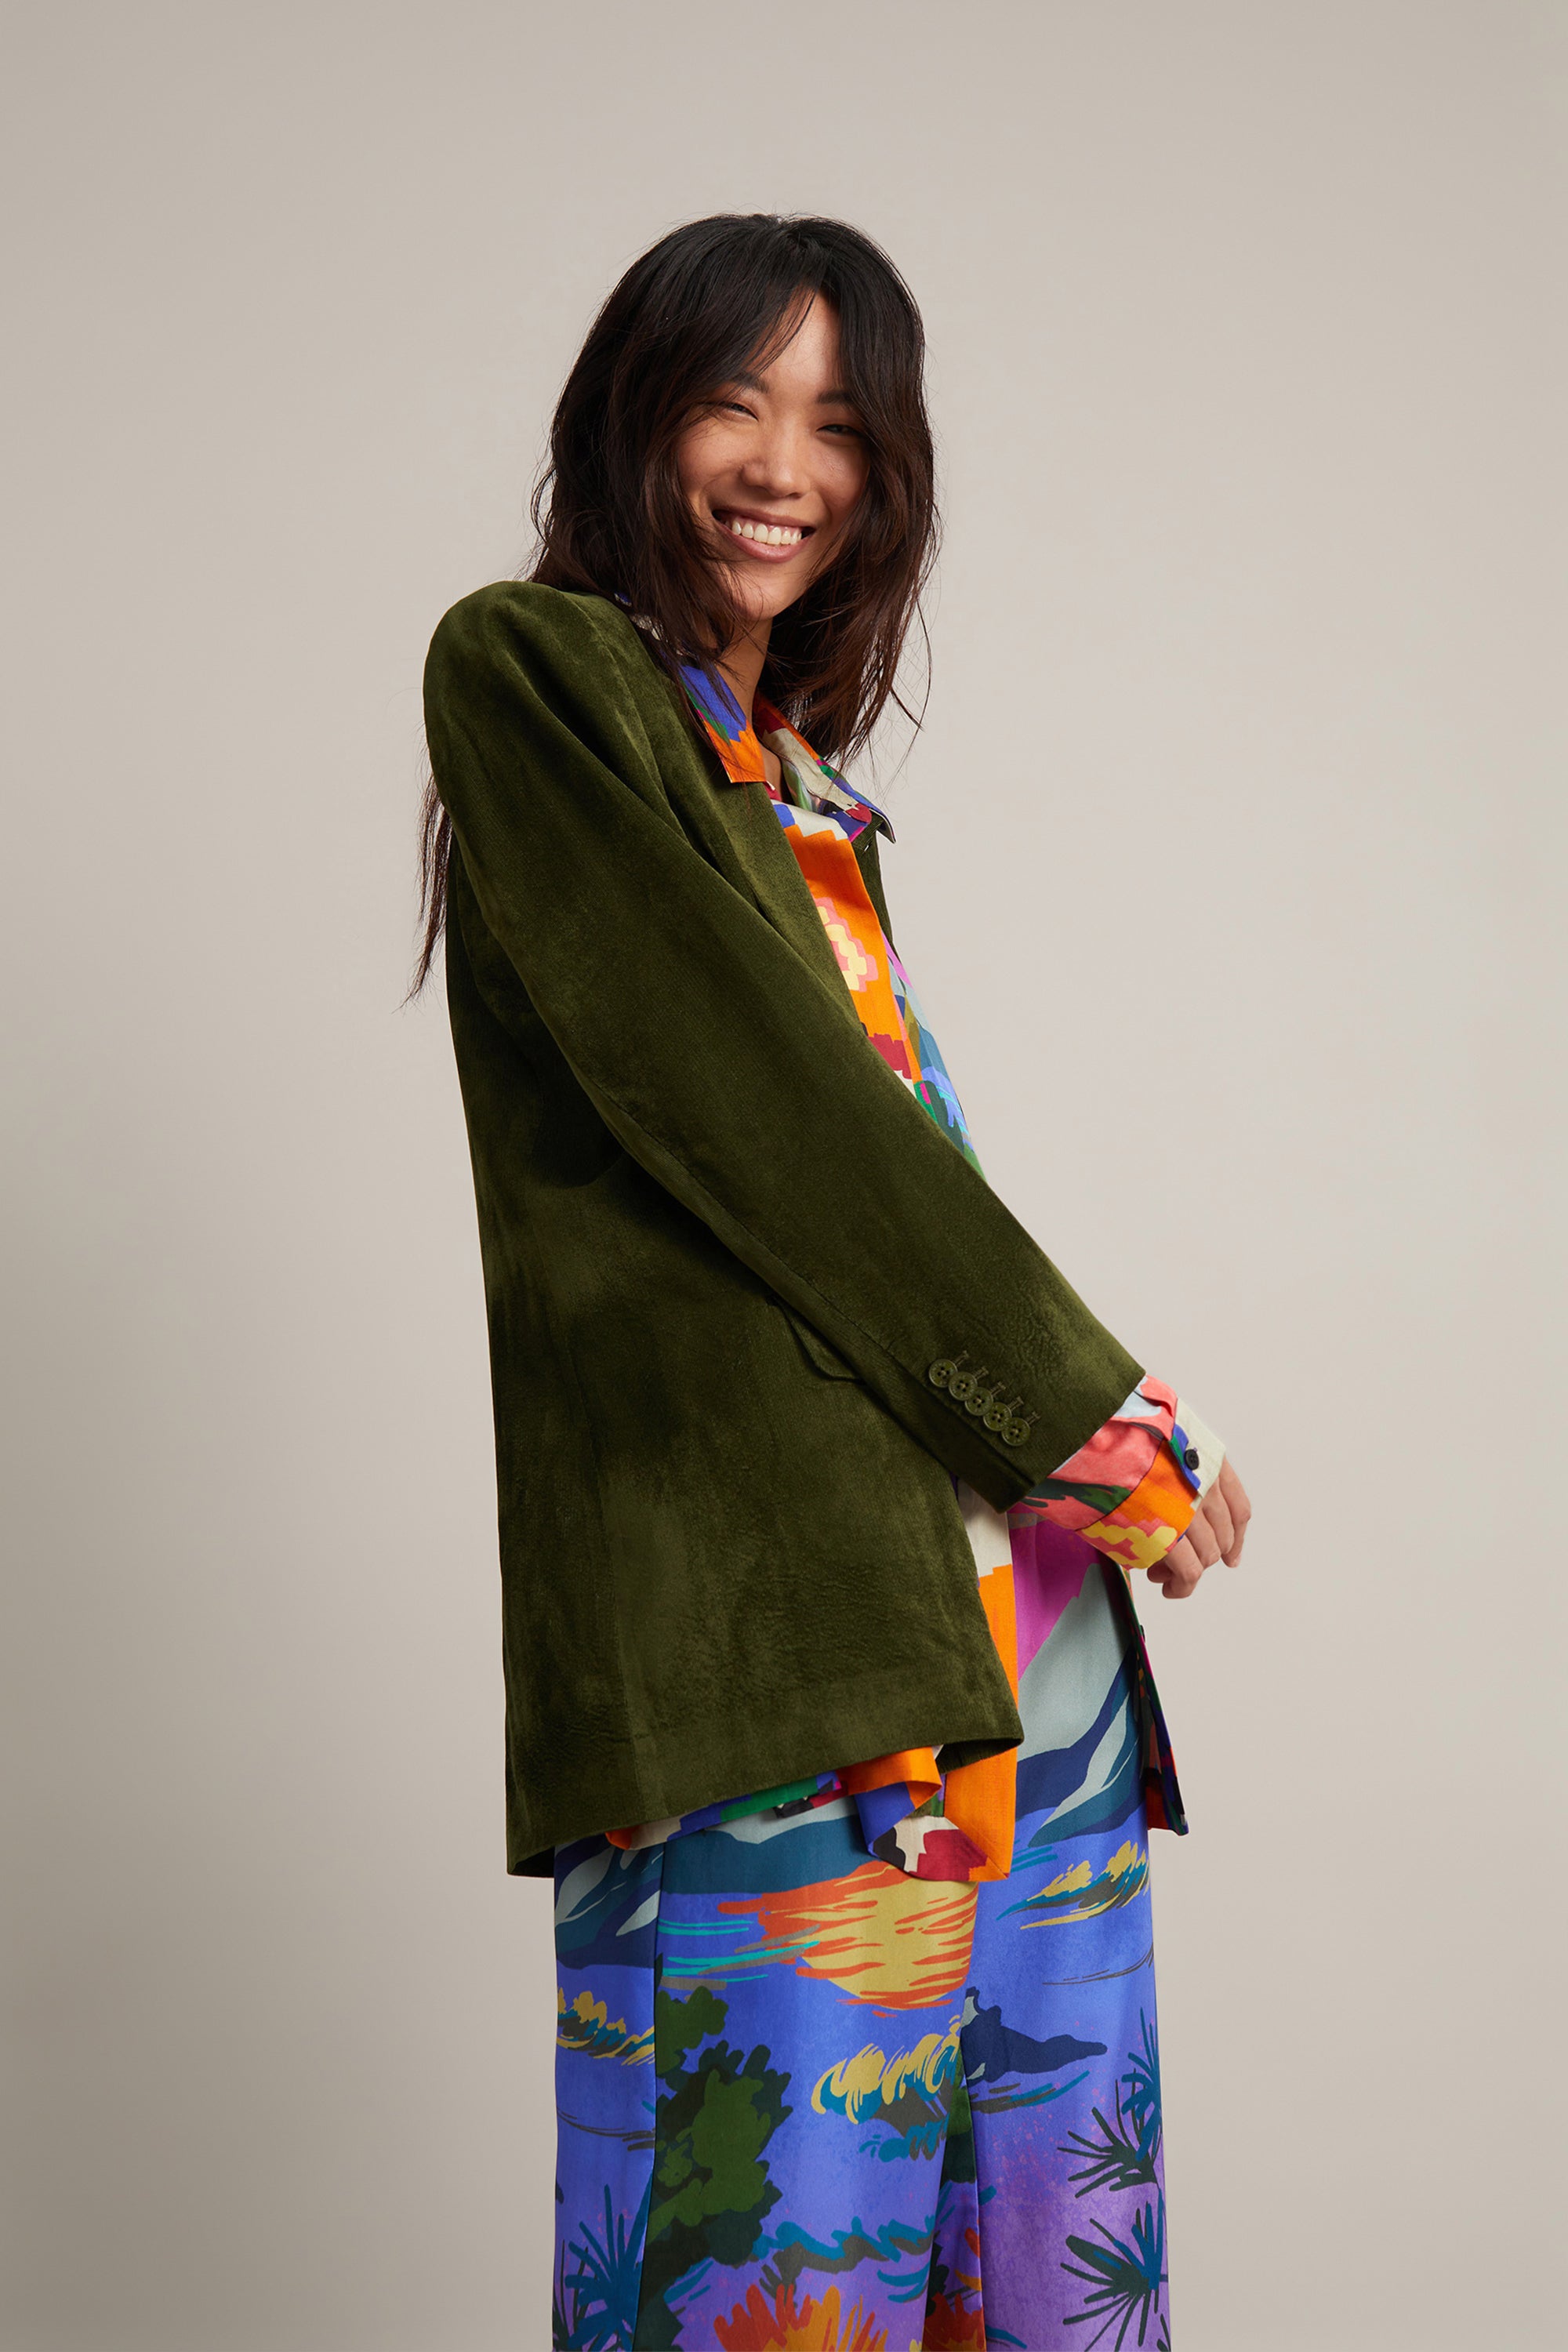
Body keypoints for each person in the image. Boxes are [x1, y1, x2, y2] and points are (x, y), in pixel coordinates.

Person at [419, 212, 1250, 2352]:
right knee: (770, 2286)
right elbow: (763, 1116)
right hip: (777, 1656)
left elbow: (887, 1186)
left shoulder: (796, 781)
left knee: (1051, 2277)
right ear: (633, 418)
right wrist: (1093, 1411)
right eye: (733, 402)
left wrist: (1090, 1443)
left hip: (1011, 1637)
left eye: (840, 426)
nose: (785, 467)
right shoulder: (535, 679)